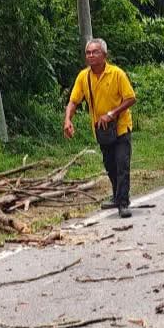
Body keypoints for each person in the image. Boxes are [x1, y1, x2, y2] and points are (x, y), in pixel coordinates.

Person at [64, 38, 137, 218]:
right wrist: (68, 120)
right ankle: (116, 195)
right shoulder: (84, 77)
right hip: (102, 130)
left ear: (104, 55)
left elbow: (131, 98)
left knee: (122, 164)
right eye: (88, 53)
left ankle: (123, 202)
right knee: (110, 165)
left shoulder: (117, 74)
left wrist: (112, 113)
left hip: (120, 126)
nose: (90, 56)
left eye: (94, 52)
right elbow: (73, 101)